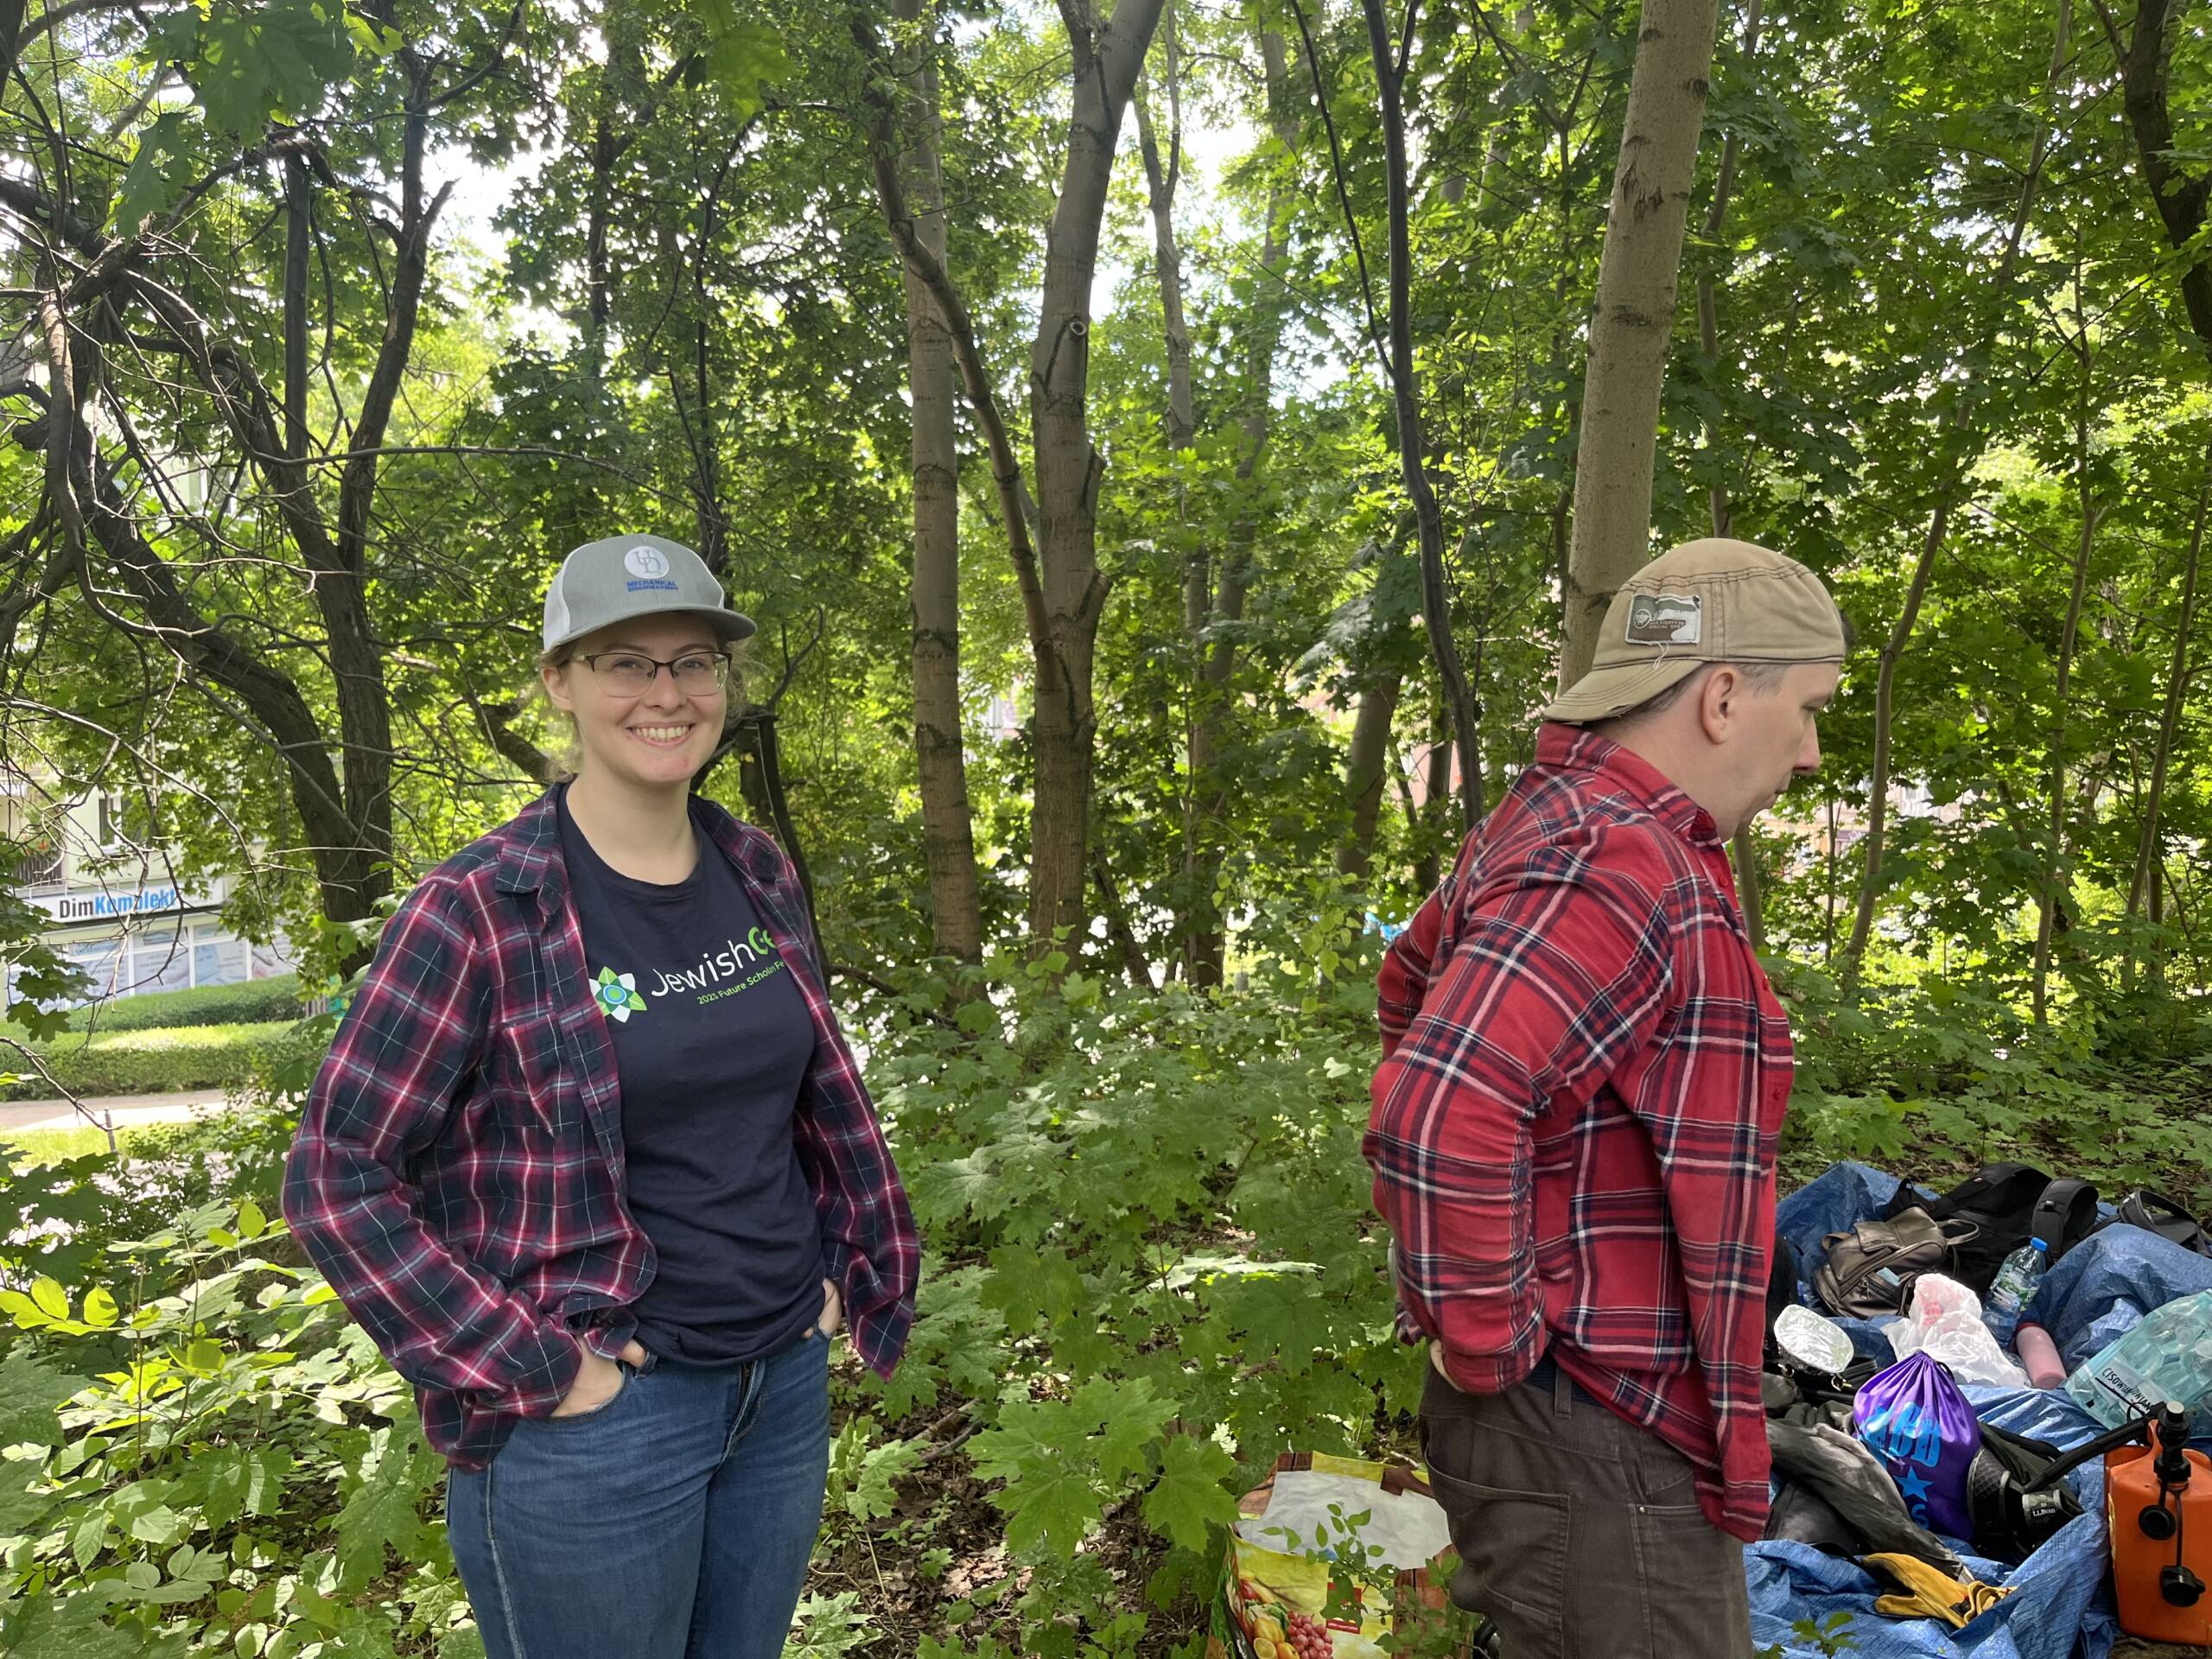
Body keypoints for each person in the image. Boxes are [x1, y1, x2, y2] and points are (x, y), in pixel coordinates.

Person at [283, 533, 918, 1659]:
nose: (666, 693)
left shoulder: (756, 869)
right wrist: (543, 1370)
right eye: (626, 661)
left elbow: (801, 1102)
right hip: (603, 1424)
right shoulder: (480, 907)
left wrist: (830, 1279)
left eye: (693, 661)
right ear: (560, 683)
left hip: (779, 1390)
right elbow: (336, 1179)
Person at [1364, 538, 1847, 1658]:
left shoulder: (1567, 822)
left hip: (1586, 1426)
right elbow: (1441, 1108)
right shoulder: (1617, 857)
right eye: (1810, 709)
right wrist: (1491, 1342)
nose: (1813, 752)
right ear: (1725, 697)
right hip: (1594, 1434)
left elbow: (1410, 985)